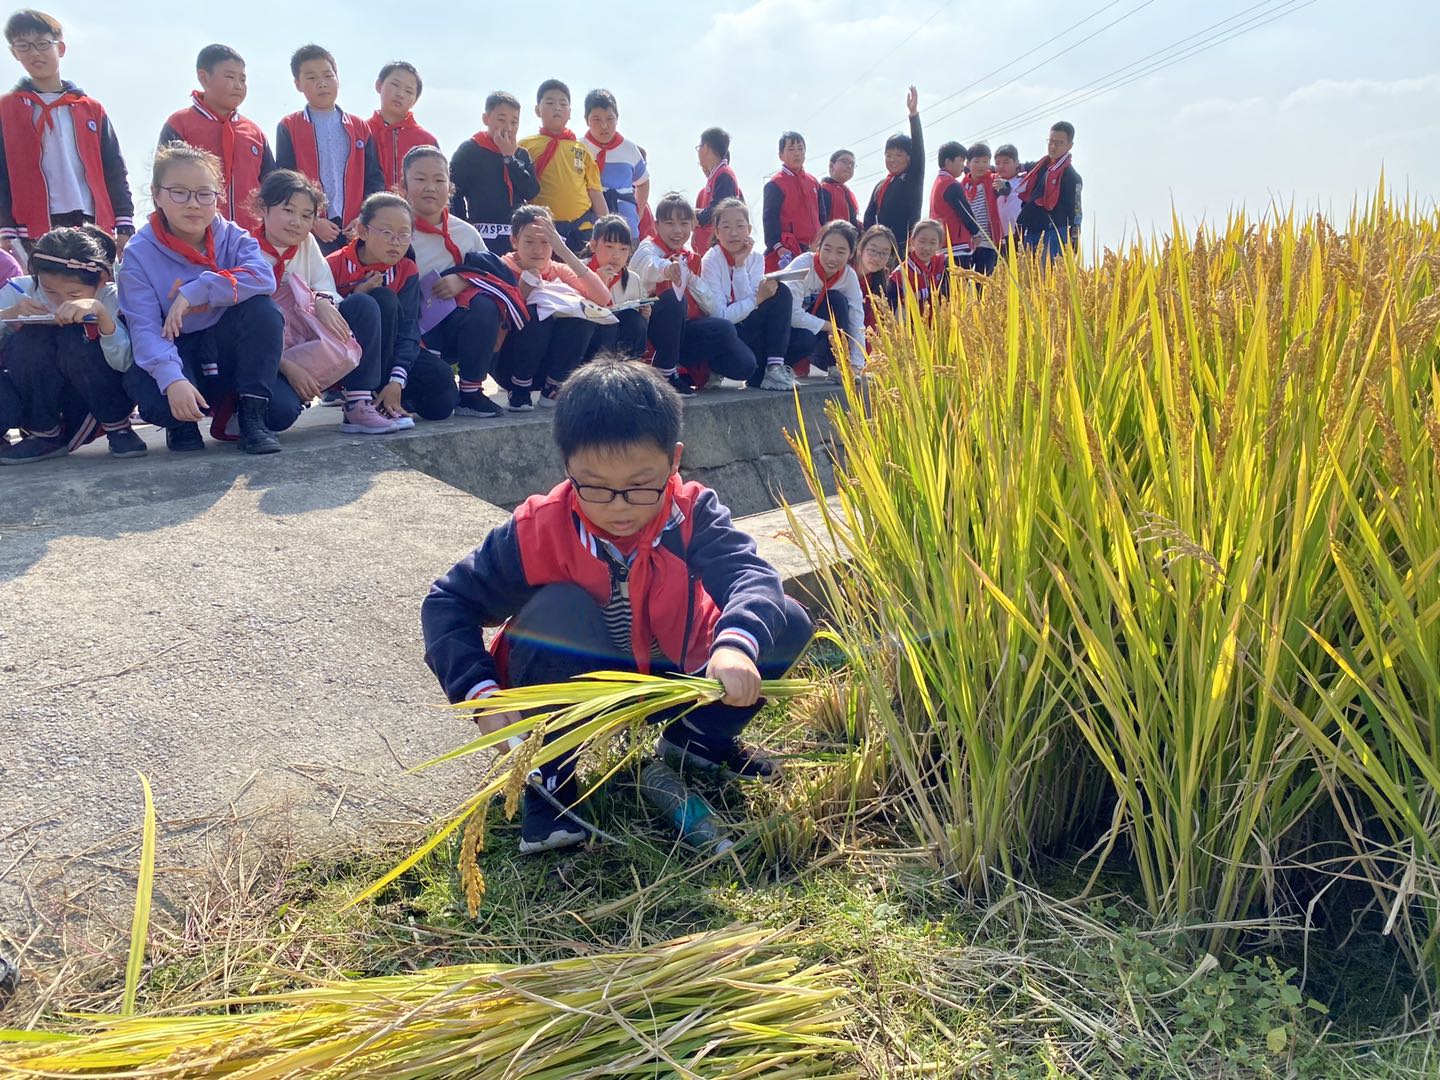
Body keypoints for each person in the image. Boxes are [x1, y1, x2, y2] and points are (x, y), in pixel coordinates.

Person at [421, 357, 814, 852]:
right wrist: (478, 691)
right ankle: (549, 781)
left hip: (681, 676)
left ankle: (694, 745)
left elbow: (751, 577)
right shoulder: (535, 530)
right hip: (577, 686)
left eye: (639, 486)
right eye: (597, 488)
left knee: (787, 620)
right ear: (567, 467)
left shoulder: (690, 513)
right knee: (556, 610)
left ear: (674, 461)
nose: (619, 507)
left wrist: (735, 645)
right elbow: (447, 603)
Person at [119, 143, 294, 455]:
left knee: (263, 312)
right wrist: (173, 380)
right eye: (179, 192)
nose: (193, 204)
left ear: (217, 197)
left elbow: (263, 277)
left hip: (226, 346)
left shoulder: (233, 236)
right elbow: (144, 328)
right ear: (157, 194)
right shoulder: (139, 252)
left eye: (204, 193)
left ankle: (251, 414)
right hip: (176, 346)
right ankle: (182, 425)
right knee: (159, 400)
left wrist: (195, 290)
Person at [252, 169, 395, 434]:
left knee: (363, 305)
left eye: (307, 215)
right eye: (288, 210)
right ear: (263, 207)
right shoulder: (245, 248)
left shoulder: (307, 243)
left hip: (308, 339)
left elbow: (325, 286)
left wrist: (322, 301)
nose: (297, 222)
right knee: (279, 414)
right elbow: (244, 329)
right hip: (270, 356)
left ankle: (358, 403)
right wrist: (288, 367)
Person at [0, 224, 142, 463]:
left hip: (93, 396)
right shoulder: (21, 289)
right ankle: (44, 434)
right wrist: (8, 314)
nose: (61, 301)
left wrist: (102, 317)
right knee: (30, 339)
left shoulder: (111, 297)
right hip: (42, 396)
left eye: (74, 294)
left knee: (75, 338)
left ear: (101, 280)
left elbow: (125, 362)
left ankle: (118, 427)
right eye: (49, 291)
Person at [0, 9, 134, 256]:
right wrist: (4, 226)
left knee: (91, 289)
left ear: (60, 48)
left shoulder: (90, 108)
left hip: (90, 219)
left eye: (42, 44)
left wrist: (124, 221)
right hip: (31, 226)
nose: (35, 53)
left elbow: (114, 167)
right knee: (43, 290)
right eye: (24, 46)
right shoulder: (6, 109)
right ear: (14, 52)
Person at [326, 192, 458, 422]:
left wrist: (397, 380)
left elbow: (409, 327)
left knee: (442, 398)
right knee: (381, 299)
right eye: (387, 233)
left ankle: (393, 397)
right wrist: (356, 295)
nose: (396, 242)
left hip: (391, 358)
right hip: (348, 359)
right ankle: (362, 399)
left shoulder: (406, 268)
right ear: (363, 231)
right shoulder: (334, 264)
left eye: (404, 235)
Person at [403, 145, 510, 419]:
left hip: (454, 328)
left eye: (439, 180)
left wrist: (463, 279)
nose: (430, 187)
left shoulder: (465, 233)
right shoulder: (397, 229)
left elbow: (493, 274)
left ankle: (472, 391)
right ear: (403, 184)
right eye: (420, 179)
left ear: (450, 186)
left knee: (485, 305)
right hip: (411, 332)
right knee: (439, 403)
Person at [630, 192, 755, 396]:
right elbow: (646, 265)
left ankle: (694, 369)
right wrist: (666, 269)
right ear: (657, 224)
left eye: (684, 223)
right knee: (673, 299)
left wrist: (692, 279)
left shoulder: (691, 258)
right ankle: (665, 373)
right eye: (670, 223)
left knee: (743, 361)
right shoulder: (648, 247)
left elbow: (712, 306)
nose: (677, 231)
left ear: (693, 225)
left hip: (685, 330)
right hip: (653, 330)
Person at [498, 203, 610, 410]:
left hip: (549, 363)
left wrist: (564, 251)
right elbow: (500, 321)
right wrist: (525, 287)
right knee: (538, 313)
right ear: (514, 241)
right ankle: (519, 388)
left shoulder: (559, 270)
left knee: (583, 313)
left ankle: (554, 387)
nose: (538, 250)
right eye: (529, 241)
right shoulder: (502, 268)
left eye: (546, 242)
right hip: (509, 362)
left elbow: (603, 298)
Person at [275, 44, 385, 255]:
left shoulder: (360, 127)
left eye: (328, 75)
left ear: (337, 78)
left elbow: (374, 179)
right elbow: (284, 181)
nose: (322, 84)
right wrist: (313, 221)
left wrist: (364, 218)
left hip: (355, 228)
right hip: (310, 231)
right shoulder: (289, 126)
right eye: (311, 78)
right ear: (298, 84)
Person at [158, 44, 274, 235]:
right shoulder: (180, 124)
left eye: (243, 79)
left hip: (249, 238)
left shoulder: (255, 134)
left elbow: (271, 188)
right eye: (230, 77)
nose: (238, 85)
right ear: (203, 77)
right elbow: (163, 181)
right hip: (194, 236)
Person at [701, 197, 794, 391]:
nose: (733, 233)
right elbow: (722, 316)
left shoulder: (756, 258)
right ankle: (715, 369)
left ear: (749, 230)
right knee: (744, 365)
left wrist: (740, 264)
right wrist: (757, 298)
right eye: (725, 227)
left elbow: (750, 305)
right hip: (724, 331)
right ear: (717, 232)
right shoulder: (711, 260)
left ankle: (774, 369)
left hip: (747, 325)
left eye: (739, 226)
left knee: (780, 291)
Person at [520, 80, 606, 254]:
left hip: (581, 228)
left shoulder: (582, 149)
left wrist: (607, 228)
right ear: (538, 110)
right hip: (542, 229)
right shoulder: (525, 146)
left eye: (563, 103)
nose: (557, 108)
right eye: (550, 103)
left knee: (581, 277)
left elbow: (595, 192)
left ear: (569, 112)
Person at [450, 91, 539, 257]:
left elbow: (531, 190)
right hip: (483, 231)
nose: (509, 127)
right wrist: (463, 225)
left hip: (516, 232)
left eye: (514, 122)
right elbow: (454, 192)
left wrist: (509, 158)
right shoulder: (470, 150)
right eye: (501, 120)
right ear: (486, 119)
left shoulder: (521, 154)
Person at [783, 220, 865, 380]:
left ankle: (838, 366)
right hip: (788, 334)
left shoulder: (848, 276)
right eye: (827, 249)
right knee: (807, 338)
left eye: (841, 252)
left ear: (851, 254)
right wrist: (828, 326)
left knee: (837, 299)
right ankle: (781, 366)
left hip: (818, 340)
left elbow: (857, 320)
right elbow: (790, 313)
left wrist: (856, 364)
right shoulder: (803, 265)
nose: (832, 258)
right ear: (818, 247)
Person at [580, 89, 649, 241]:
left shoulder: (630, 149)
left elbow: (643, 182)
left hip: (627, 227)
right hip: (589, 228)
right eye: (597, 119)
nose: (604, 126)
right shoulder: (578, 148)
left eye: (610, 119)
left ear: (617, 118)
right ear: (586, 120)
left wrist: (638, 214)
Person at [862, 85, 924, 246]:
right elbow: (869, 216)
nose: (892, 159)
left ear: (909, 158)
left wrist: (913, 115)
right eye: (888, 155)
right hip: (880, 246)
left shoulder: (912, 177)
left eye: (898, 155)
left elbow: (918, 149)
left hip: (905, 245)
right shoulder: (881, 185)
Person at [584, 213, 649, 361]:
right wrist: (598, 285)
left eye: (623, 249)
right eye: (609, 246)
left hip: (619, 343)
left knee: (635, 320)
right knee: (608, 326)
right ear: (593, 245)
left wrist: (644, 316)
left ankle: (630, 372)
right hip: (587, 343)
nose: (616, 255)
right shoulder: (579, 270)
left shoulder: (633, 279)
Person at [1015, 122, 1082, 259]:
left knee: (1047, 276)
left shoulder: (1071, 176)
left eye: (1059, 142)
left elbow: (1076, 212)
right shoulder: (1040, 167)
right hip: (1032, 230)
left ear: (1070, 145)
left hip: (1055, 232)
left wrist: (1074, 239)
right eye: (1050, 141)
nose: (1053, 146)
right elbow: (1015, 169)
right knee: (1029, 276)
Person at [369, 60, 437, 192]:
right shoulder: (360, 132)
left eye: (409, 91)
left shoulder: (426, 141)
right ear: (379, 85)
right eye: (395, 84)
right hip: (368, 211)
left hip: (413, 211)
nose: (400, 94)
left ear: (414, 101)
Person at [761, 131, 822, 273]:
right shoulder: (776, 184)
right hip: (790, 249)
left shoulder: (813, 182)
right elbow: (770, 219)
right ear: (781, 155)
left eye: (800, 149)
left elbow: (822, 216)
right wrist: (778, 247)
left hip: (815, 248)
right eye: (791, 149)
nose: (797, 153)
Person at [929, 141, 979, 266]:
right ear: (948, 162)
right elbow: (964, 211)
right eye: (961, 160)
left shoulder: (938, 182)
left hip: (943, 244)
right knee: (958, 283)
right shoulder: (951, 184)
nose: (963, 166)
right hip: (957, 245)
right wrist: (976, 232)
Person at [692, 127, 741, 253]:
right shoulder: (717, 174)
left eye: (699, 148)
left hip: (719, 249)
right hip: (710, 248)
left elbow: (719, 209)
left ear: (706, 148)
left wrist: (696, 216)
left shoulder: (724, 174)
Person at [959, 142, 1002, 276]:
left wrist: (1003, 186)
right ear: (968, 163)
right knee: (964, 280)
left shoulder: (993, 179)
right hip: (968, 243)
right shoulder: (962, 186)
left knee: (985, 281)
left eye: (985, 161)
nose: (981, 165)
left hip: (988, 241)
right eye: (977, 161)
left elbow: (1005, 187)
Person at [887, 218, 945, 313]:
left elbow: (947, 290)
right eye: (922, 241)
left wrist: (921, 294)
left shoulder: (942, 263)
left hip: (942, 324)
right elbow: (891, 308)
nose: (926, 247)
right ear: (912, 241)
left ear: (939, 245)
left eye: (932, 243)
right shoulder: (899, 275)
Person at [854, 223, 897, 331]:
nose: (877, 258)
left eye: (884, 253)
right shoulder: (843, 268)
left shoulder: (882, 279)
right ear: (861, 247)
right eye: (873, 251)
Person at [992, 144, 1024, 253]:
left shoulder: (1024, 181)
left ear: (1016, 163)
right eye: (997, 163)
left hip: (1020, 235)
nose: (1001, 166)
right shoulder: (993, 184)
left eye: (1006, 162)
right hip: (1002, 238)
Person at [820, 148, 859, 228]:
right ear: (831, 165)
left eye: (852, 164)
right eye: (845, 162)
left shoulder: (848, 193)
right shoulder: (824, 189)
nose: (849, 166)